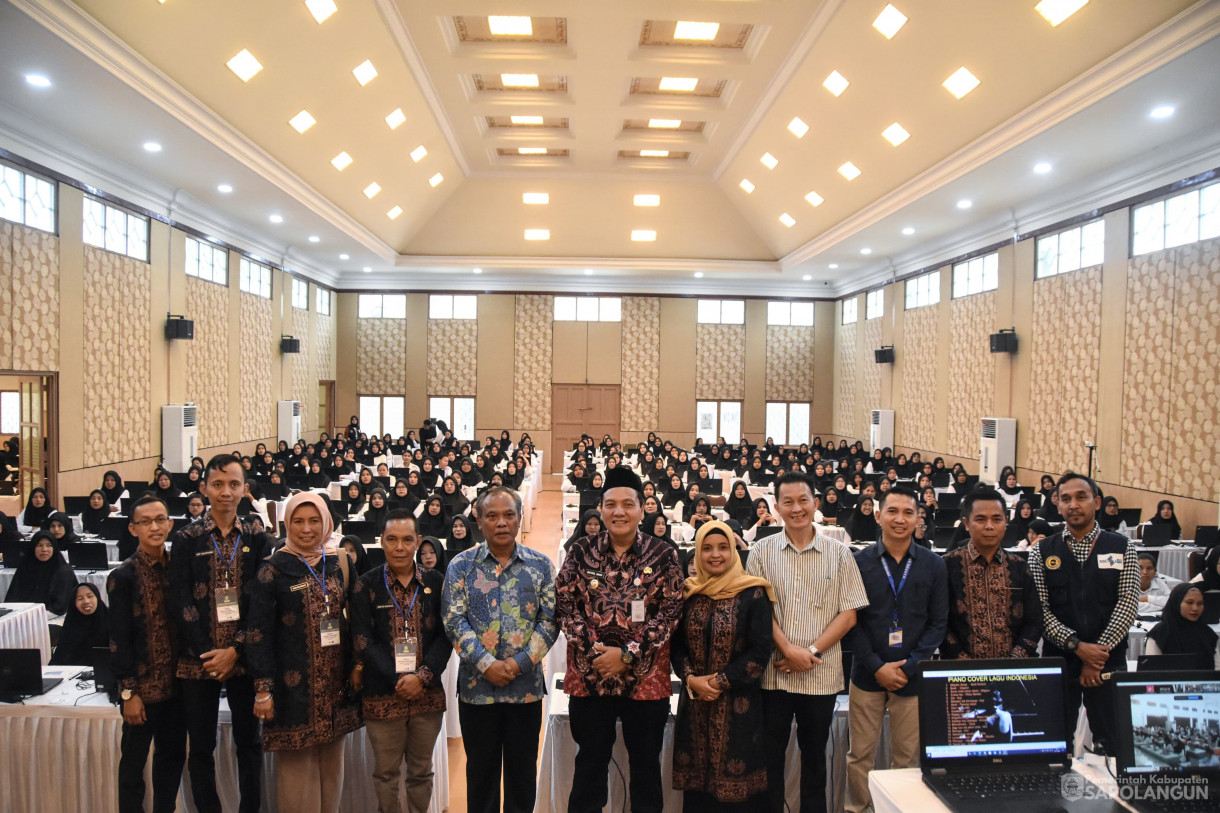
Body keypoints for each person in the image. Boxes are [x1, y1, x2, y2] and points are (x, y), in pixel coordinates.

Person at [555, 466, 684, 813]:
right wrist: (595, 651)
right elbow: (564, 606)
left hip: (645, 682)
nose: (619, 512)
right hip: (590, 678)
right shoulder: (580, 552)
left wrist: (627, 654)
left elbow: (670, 612)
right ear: (600, 508)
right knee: (590, 768)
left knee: (645, 769)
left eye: (628, 504)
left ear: (643, 509)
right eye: (611, 504)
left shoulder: (664, 555)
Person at [745, 472, 868, 813]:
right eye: (788, 502)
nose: (796, 508)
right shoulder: (760, 552)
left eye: (803, 501)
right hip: (773, 674)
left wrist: (809, 652)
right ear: (776, 506)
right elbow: (758, 612)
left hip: (821, 674)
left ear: (816, 503)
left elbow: (849, 614)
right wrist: (788, 649)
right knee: (769, 758)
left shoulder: (840, 553)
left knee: (815, 758)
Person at [442, 486, 558, 813]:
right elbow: (454, 620)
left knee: (522, 776)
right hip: (478, 691)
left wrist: (521, 662)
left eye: (509, 515)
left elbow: (550, 620)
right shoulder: (461, 566)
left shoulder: (541, 566)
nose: (501, 523)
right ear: (479, 521)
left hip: (526, 690)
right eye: (492, 516)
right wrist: (485, 663)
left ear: (520, 518)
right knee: (481, 775)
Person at [248, 491, 361, 813]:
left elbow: (356, 618)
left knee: (331, 766)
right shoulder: (272, 570)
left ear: (326, 522)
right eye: (298, 521)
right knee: (297, 771)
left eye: (314, 520)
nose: (307, 528)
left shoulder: (337, 562)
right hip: (290, 687)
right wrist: (263, 689)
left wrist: (358, 665)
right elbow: (258, 634)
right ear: (287, 523)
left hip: (334, 683)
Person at [168, 455, 268, 813]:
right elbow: (179, 600)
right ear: (204, 488)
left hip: (245, 657)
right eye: (218, 484)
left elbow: (260, 599)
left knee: (249, 743)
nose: (226, 492)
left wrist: (235, 650)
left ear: (245, 489)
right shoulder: (186, 537)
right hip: (199, 660)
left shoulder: (257, 536)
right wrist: (209, 653)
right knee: (200, 747)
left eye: (234, 484)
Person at [846, 485, 948, 813]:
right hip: (867, 672)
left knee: (907, 758)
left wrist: (910, 666)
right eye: (892, 511)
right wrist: (876, 666)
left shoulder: (934, 565)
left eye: (908, 512)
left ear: (919, 518)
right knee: (860, 755)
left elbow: (937, 624)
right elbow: (851, 621)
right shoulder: (858, 562)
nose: (900, 519)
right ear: (878, 516)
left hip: (912, 676)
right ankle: (858, 809)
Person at [1028, 472, 1138, 755]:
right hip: (1059, 659)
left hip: (1107, 662)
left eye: (1081, 497)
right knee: (1052, 744)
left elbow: (1127, 604)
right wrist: (1078, 647)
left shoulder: (1123, 547)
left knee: (1113, 745)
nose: (1073, 504)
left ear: (1096, 502)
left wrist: (1096, 655)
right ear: (1057, 504)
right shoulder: (1041, 551)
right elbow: (1040, 611)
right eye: (1066, 499)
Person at [672, 521, 775, 812]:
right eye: (706, 548)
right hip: (694, 706)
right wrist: (691, 679)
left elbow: (759, 653)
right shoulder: (689, 594)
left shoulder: (753, 594)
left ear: (733, 551)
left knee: (736, 797)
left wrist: (717, 682)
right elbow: (676, 646)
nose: (714, 555)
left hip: (738, 708)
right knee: (697, 794)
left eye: (722, 548)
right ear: (696, 553)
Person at [349, 510, 448, 813]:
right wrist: (398, 679)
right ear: (382, 541)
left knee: (421, 772)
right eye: (392, 539)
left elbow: (446, 637)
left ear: (418, 541)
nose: (400, 547)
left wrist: (422, 676)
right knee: (386, 773)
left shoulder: (436, 582)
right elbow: (363, 639)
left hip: (427, 694)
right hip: (382, 694)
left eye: (407, 540)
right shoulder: (364, 586)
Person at [107, 494, 187, 813]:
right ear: (133, 529)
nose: (155, 527)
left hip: (177, 689)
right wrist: (128, 693)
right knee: (132, 770)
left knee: (170, 764)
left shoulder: (180, 571)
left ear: (170, 523)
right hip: (140, 691)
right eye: (146, 522)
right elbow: (118, 640)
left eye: (160, 520)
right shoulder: (122, 577)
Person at [940, 489, 1042, 659]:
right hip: (960, 674)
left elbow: (1035, 620)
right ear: (966, 523)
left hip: (1013, 671)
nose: (989, 526)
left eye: (997, 519)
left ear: (1006, 522)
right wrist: (963, 662)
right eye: (980, 519)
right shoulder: (946, 565)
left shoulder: (1020, 567)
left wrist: (1016, 658)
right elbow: (939, 623)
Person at [1144, 583, 1220, 669]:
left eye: (1200, 603)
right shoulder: (1160, 634)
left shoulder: (1207, 633)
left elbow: (1217, 670)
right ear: (1177, 602)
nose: (1195, 608)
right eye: (1189, 602)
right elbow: (1152, 672)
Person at [4, 530, 77, 614]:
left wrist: (37, 617)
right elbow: (13, 598)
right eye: (39, 545)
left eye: (49, 545)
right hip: (23, 616)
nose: (44, 549)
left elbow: (60, 606)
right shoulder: (25, 567)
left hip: (53, 617)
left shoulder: (64, 572)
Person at [50, 582, 109, 665]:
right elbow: (59, 659)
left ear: (97, 598)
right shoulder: (70, 626)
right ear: (74, 603)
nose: (86, 601)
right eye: (80, 599)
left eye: (90, 596)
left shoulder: (110, 623)